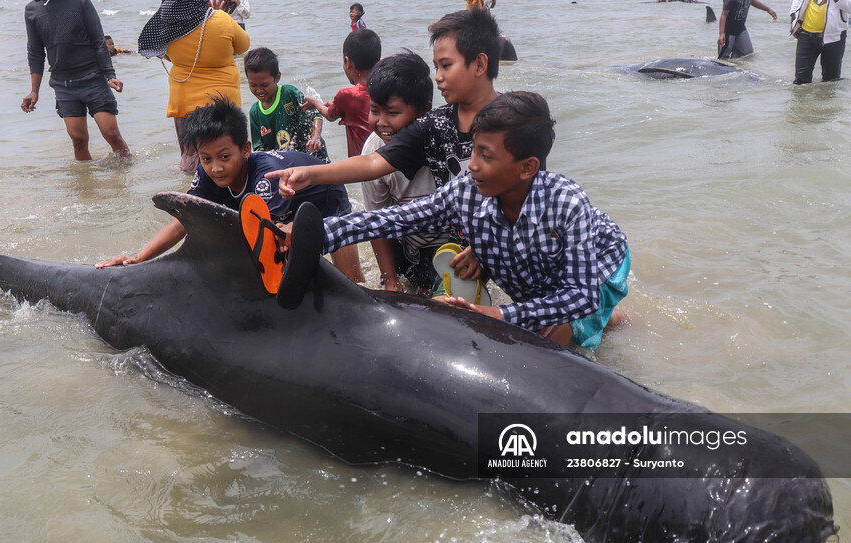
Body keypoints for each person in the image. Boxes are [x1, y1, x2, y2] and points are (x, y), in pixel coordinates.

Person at [285, 92, 630, 350]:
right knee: (541, 315)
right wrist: (319, 234)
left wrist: (497, 315)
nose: (473, 165)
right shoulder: (468, 191)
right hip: (543, 272)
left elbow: (580, 296)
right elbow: (397, 219)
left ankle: (608, 315)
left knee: (551, 347)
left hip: (598, 266)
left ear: (527, 167)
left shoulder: (566, 203)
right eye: (474, 150)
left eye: (486, 156)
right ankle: (614, 319)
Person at [95, 95, 363, 282]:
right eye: (206, 158)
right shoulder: (208, 173)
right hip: (283, 210)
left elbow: (266, 237)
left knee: (351, 281)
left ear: (245, 149)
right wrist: (139, 258)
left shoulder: (264, 176)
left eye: (225, 157)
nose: (216, 168)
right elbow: (184, 221)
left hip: (324, 194)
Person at [267, 9, 502, 206]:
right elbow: (372, 162)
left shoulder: (518, 117)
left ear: (480, 64)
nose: (438, 77)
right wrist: (309, 173)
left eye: (446, 66)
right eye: (436, 67)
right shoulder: (435, 124)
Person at [360, 51, 439, 293]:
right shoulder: (372, 150)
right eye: (375, 111)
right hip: (406, 244)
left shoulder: (443, 146)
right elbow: (377, 221)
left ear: (424, 111)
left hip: (448, 245)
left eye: (393, 113)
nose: (382, 122)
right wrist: (390, 280)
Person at [139, 0, 250, 172]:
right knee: (225, 155)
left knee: (190, 156)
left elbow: (167, 56)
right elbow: (243, 46)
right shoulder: (221, 18)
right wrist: (217, 15)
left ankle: (189, 188)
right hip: (221, 100)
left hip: (184, 99)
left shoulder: (168, 24)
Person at [21, 0, 130, 160]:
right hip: (63, 85)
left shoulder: (80, 2)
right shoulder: (32, 10)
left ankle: (127, 177)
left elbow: (98, 41)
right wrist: (34, 91)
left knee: (112, 134)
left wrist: (110, 75)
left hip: (93, 78)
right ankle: (86, 183)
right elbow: (35, 52)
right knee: (78, 141)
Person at [303, 28, 380, 159]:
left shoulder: (347, 95)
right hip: (387, 158)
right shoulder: (386, 88)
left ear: (348, 61)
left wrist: (315, 102)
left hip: (365, 163)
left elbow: (330, 115)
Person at [244, 47, 330, 162]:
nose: (259, 90)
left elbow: (315, 116)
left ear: (277, 77)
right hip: (285, 165)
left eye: (264, 85)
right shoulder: (255, 112)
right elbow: (259, 148)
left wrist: (315, 137)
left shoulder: (289, 94)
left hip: (313, 157)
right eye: (253, 85)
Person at [790, 0, 851, 84]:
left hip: (835, 37)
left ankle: (825, 97)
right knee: (800, 82)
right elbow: (797, 2)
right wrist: (794, 21)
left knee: (831, 82)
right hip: (806, 35)